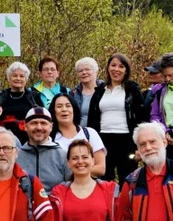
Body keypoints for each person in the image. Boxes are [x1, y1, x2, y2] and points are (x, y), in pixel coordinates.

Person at [87, 53, 147, 185]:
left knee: (128, 180)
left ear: (126, 70)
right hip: (103, 140)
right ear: (108, 68)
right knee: (104, 179)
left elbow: (142, 118)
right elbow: (92, 119)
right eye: (113, 65)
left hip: (127, 140)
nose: (116, 69)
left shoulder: (132, 90)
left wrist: (140, 146)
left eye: (121, 66)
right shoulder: (100, 91)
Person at [50, 93, 107, 178]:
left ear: (74, 109)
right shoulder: (50, 139)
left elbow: (101, 169)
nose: (64, 109)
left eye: (68, 106)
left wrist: (75, 170)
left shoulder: (89, 134)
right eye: (59, 106)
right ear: (53, 111)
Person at [17, 106, 71, 190]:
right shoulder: (16, 157)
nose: (39, 128)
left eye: (43, 123)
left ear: (51, 127)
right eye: (34, 123)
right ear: (25, 126)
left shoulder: (63, 156)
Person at [0, 61, 41, 143]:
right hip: (3, 141)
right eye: (15, 75)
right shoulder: (1, 97)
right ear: (9, 78)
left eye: (21, 76)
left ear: (26, 79)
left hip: (29, 142)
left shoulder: (34, 97)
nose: (18, 78)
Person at [70, 57, 102, 128]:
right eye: (80, 71)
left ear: (95, 71)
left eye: (87, 69)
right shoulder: (73, 94)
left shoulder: (105, 90)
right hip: (80, 135)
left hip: (102, 133)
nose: (84, 72)